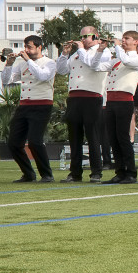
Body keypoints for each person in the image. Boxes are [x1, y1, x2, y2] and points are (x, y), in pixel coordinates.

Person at [56, 26, 111, 183]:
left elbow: (92, 64)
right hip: (74, 97)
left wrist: (80, 49)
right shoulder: (76, 54)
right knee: (74, 137)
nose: (83, 39)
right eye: (82, 36)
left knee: (93, 136)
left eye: (87, 36)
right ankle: (75, 172)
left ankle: (96, 172)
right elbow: (61, 70)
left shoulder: (102, 51)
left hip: (92, 96)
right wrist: (64, 54)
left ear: (96, 36)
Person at [1, 35, 57, 183]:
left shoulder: (49, 63)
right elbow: (6, 81)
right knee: (13, 143)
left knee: (35, 141)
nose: (26, 50)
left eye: (30, 47)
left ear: (39, 47)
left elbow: (43, 76)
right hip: (24, 105)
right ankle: (28, 174)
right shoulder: (22, 63)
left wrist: (28, 60)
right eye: (25, 47)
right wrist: (9, 64)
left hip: (42, 105)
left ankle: (47, 175)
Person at [103, 31, 138, 184]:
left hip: (124, 100)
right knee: (113, 138)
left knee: (123, 137)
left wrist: (117, 46)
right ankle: (120, 172)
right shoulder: (118, 58)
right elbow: (97, 66)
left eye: (127, 39)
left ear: (136, 42)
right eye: (123, 39)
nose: (123, 41)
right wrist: (100, 50)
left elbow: (126, 61)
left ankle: (131, 173)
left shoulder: (137, 58)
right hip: (111, 100)